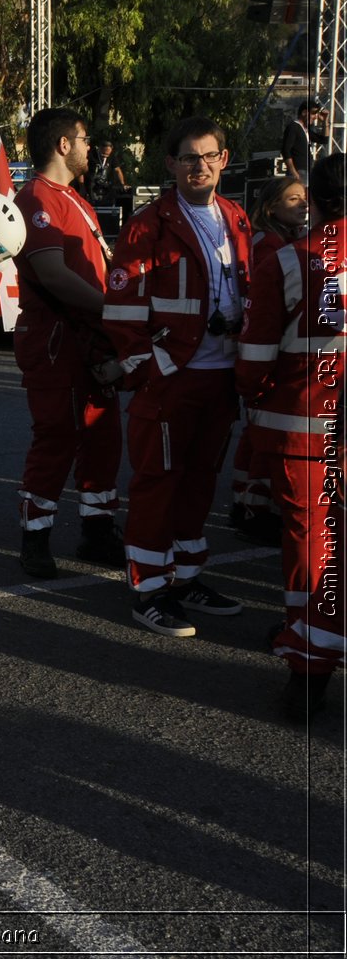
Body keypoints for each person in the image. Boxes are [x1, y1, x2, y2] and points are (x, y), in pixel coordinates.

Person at [101, 115, 252, 637]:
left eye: (210, 155)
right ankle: (148, 591)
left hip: (222, 377)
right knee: (156, 485)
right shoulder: (148, 224)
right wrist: (151, 369)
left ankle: (186, 578)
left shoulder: (236, 218)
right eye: (189, 157)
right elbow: (120, 310)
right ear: (171, 164)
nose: (200, 165)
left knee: (200, 482)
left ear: (224, 160)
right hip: (171, 378)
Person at [236, 151, 345, 722]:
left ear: (320, 203)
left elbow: (255, 354)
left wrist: (253, 396)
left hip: (303, 423)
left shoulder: (292, 259)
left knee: (310, 536)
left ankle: (304, 649)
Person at [10, 107, 125, 578]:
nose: (89, 146)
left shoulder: (71, 197)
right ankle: (35, 539)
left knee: (102, 435)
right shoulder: (37, 197)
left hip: (89, 337)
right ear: (63, 145)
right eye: (84, 138)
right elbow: (53, 275)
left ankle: (97, 530)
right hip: (57, 339)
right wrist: (111, 308)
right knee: (57, 437)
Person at [230, 175, 310, 541]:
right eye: (293, 199)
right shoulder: (271, 245)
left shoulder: (281, 239)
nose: (303, 204)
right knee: (262, 432)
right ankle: (252, 505)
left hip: (266, 349)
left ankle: (247, 499)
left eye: (305, 198)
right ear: (271, 206)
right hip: (268, 353)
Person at [281, 100, 322, 185]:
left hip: (307, 170)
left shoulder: (306, 130)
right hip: (298, 170)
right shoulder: (294, 127)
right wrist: (293, 172)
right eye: (313, 113)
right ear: (304, 112)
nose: (315, 117)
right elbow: (285, 150)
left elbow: (324, 139)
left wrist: (325, 121)